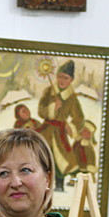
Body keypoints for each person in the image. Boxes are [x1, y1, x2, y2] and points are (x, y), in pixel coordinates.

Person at [37, 60, 85, 190]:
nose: (62, 80)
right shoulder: (49, 91)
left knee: (63, 158)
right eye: (60, 76)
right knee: (43, 156)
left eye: (66, 78)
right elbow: (40, 110)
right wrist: (52, 107)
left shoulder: (71, 98)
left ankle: (62, 184)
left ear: (71, 80)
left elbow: (79, 117)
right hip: (46, 131)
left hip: (59, 133)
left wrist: (71, 127)